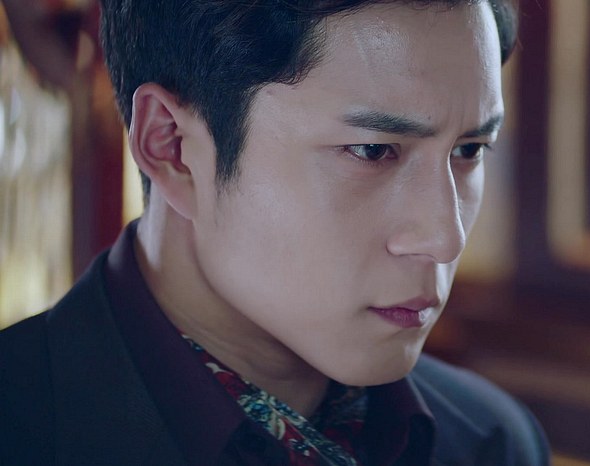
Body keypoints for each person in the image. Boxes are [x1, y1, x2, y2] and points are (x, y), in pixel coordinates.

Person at [0, 0, 550, 464]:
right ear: (172, 148)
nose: (445, 239)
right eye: (372, 150)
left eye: (469, 150)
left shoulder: (492, 442)